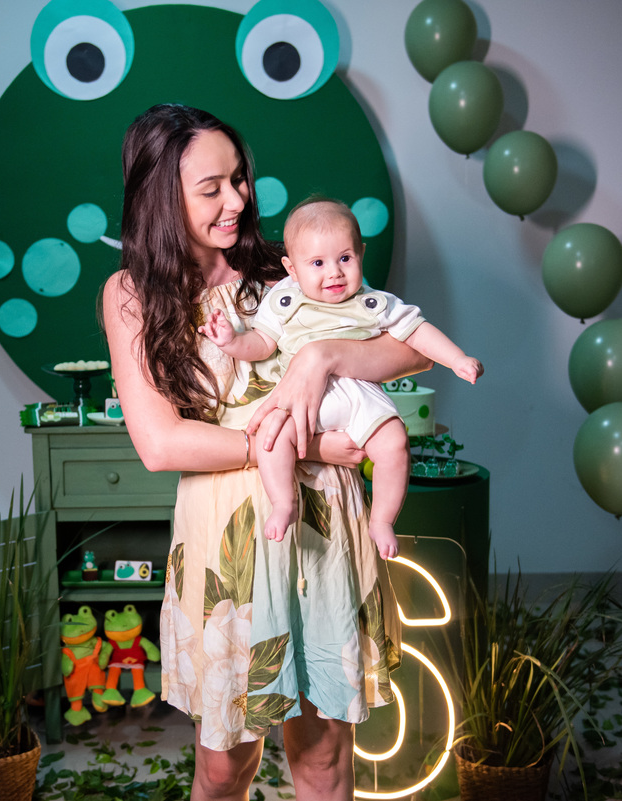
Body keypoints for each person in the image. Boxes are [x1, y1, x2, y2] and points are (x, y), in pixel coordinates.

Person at [101, 103, 432, 801]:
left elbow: (410, 348)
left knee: (323, 755)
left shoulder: (284, 267)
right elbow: (160, 443)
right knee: (224, 767)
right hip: (228, 537)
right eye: (212, 188)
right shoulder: (131, 294)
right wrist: (305, 442)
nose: (238, 199)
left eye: (239, 179)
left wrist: (322, 357)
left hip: (323, 528)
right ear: (161, 197)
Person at [198, 198, 483, 560]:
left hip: (361, 393)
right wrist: (232, 342)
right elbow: (262, 344)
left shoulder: (373, 302)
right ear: (292, 269)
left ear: (361, 254)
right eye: (317, 263)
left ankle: (382, 519)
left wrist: (457, 359)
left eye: (345, 259)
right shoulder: (283, 300)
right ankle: (283, 502)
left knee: (394, 443)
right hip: (305, 398)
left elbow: (417, 332)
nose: (333, 273)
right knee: (272, 435)